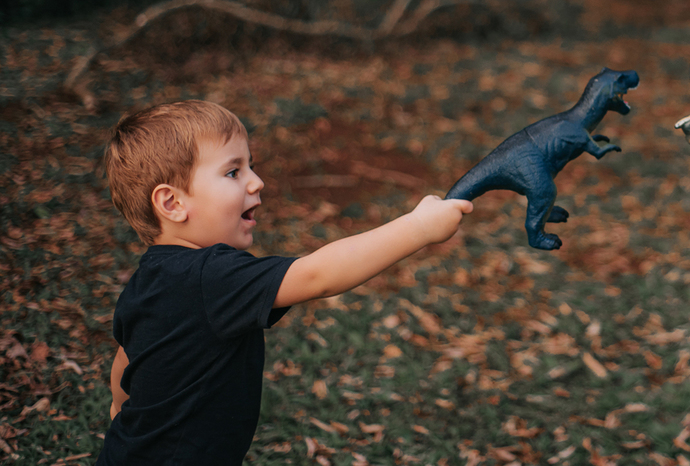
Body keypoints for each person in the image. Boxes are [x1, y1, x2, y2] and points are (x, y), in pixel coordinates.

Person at [96, 100, 473, 465]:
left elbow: (126, 361)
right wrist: (419, 227)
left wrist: (118, 412)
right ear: (172, 203)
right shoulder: (211, 275)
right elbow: (318, 275)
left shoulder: (148, 279)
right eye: (233, 172)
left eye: (251, 167)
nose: (256, 182)